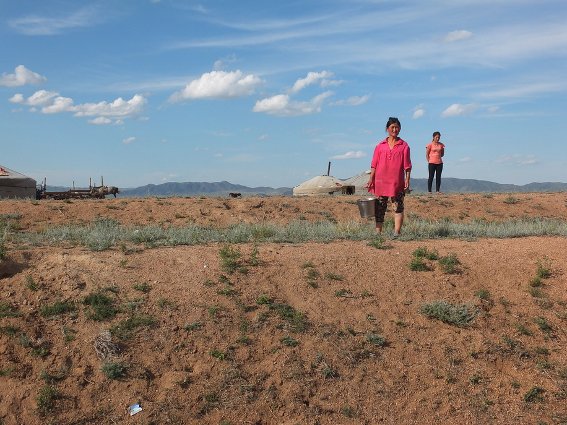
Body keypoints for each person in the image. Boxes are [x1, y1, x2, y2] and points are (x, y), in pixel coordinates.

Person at [366, 117, 412, 237]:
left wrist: (407, 180)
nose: (395, 129)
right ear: (387, 129)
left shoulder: (404, 146)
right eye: (392, 127)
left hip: (396, 182)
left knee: (397, 206)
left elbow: (407, 166)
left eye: (397, 127)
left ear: (400, 129)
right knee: (380, 207)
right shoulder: (380, 146)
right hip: (381, 180)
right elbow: (374, 164)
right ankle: (378, 233)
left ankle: (397, 232)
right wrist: (371, 178)